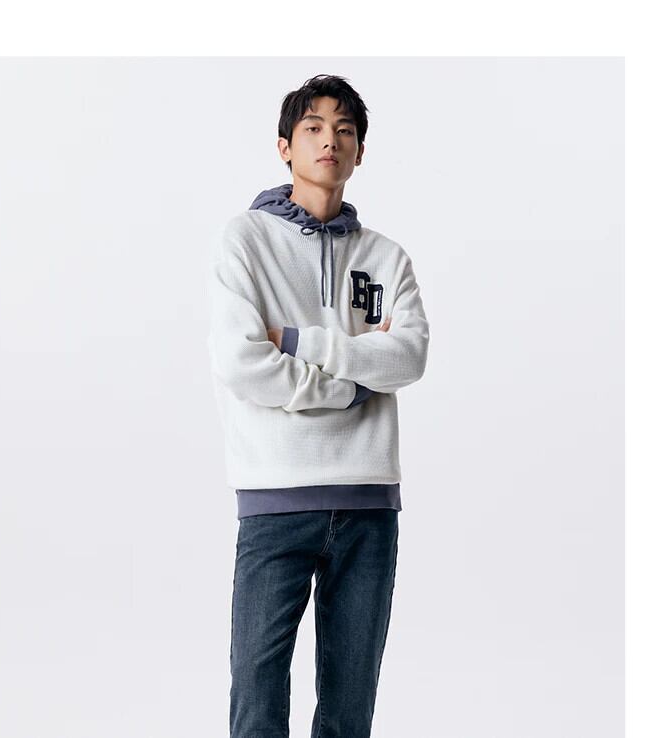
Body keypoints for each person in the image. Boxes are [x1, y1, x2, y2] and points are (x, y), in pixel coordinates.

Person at [206, 73, 430, 738]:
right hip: (275, 499)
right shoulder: (245, 240)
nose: (329, 140)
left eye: (344, 130)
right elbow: (242, 362)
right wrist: (353, 382)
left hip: (369, 506)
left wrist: (302, 341)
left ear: (359, 151)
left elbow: (409, 357)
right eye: (313, 128)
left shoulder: (386, 258)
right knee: (257, 706)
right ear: (285, 147)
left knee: (349, 713)